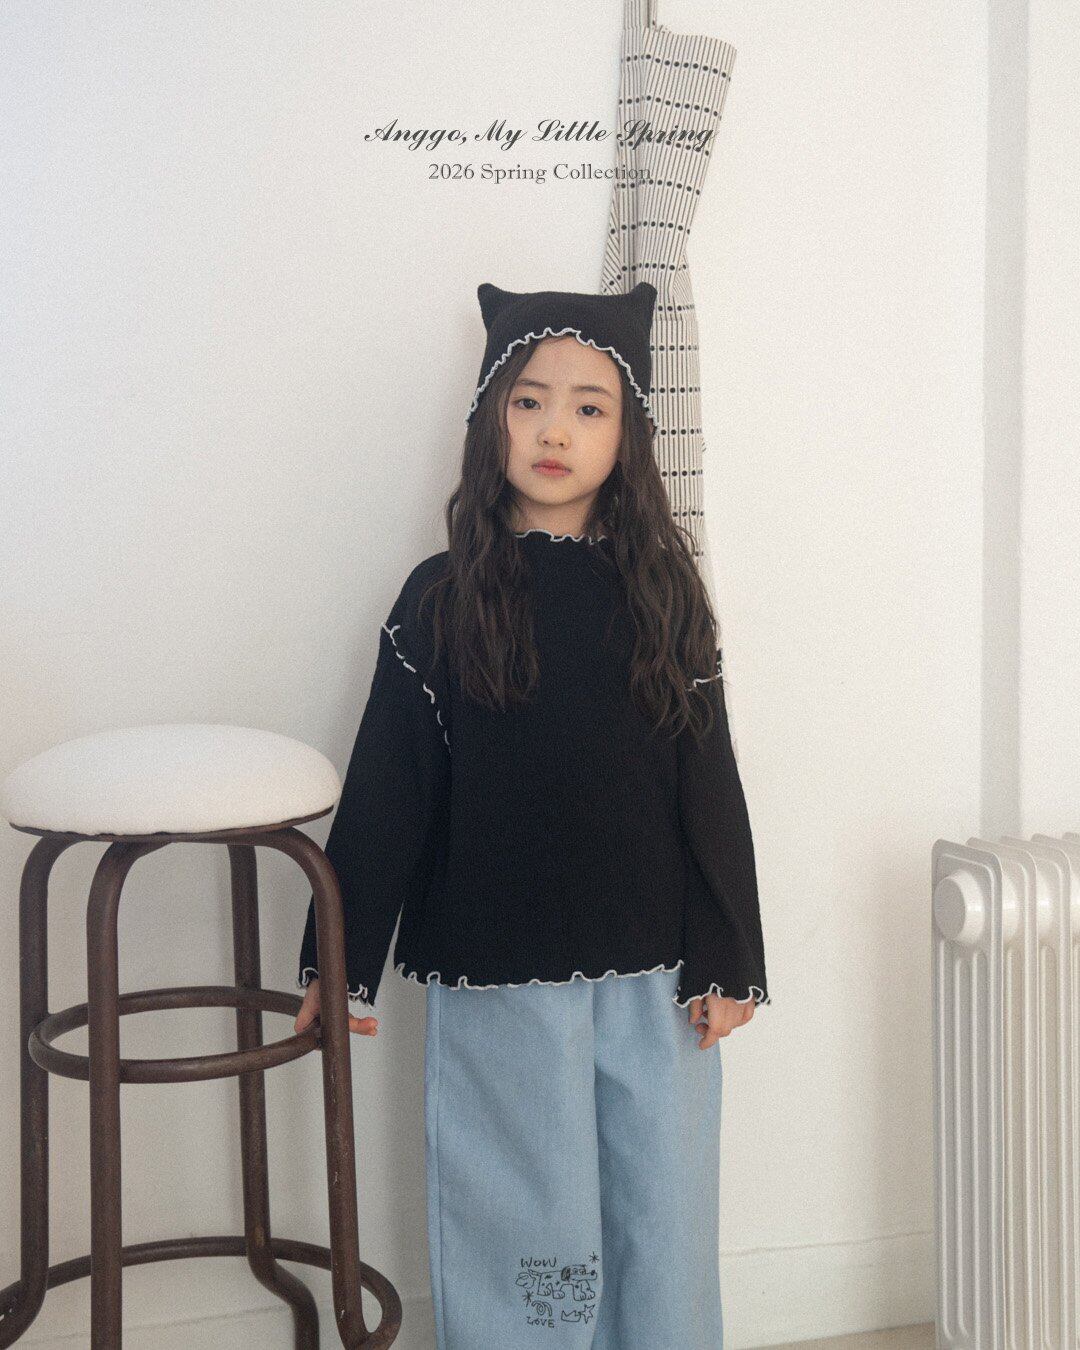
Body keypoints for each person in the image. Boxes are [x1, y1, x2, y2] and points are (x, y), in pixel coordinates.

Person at [293, 279, 770, 1348]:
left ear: (628, 434)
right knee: (526, 1226)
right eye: (529, 401)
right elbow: (390, 786)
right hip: (497, 974)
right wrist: (338, 955)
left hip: (657, 975)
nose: (556, 429)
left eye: (589, 407)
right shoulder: (442, 597)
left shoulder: (666, 595)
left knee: (663, 1210)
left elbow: (709, 780)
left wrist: (729, 952)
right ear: (489, 420)